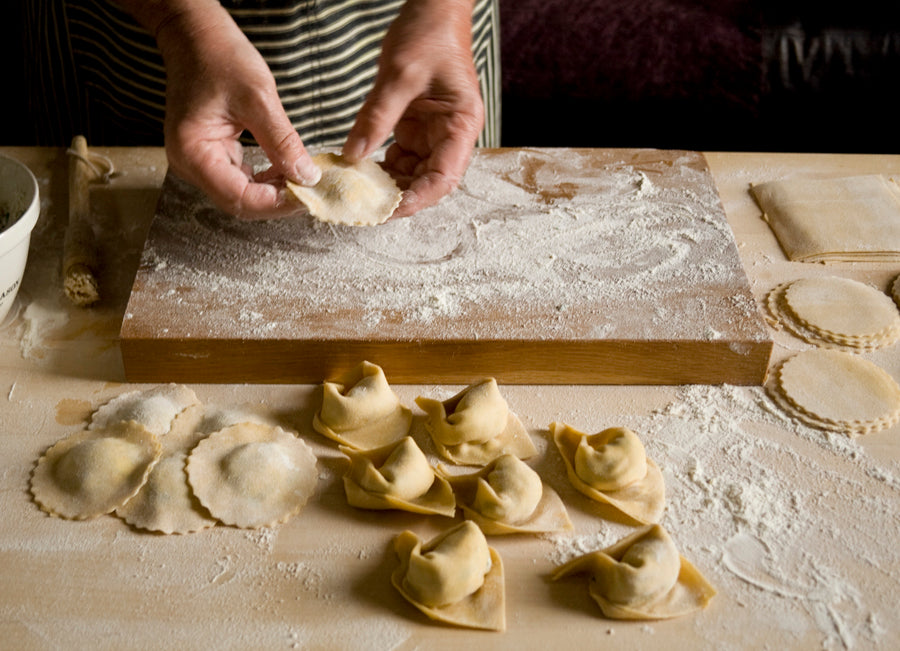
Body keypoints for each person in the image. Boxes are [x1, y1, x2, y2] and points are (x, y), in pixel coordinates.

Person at [24, 0, 500, 219]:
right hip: (134, 46)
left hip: (409, 26)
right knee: (123, 226)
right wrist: (181, 21)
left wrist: (447, 12)